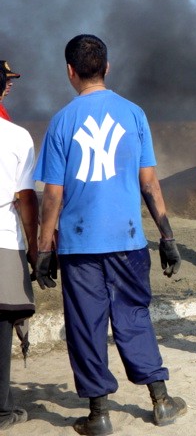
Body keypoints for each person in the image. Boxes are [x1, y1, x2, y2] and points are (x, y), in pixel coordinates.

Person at [33, 34, 186, 435]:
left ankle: (99, 415)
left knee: (86, 325)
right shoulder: (134, 114)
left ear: (70, 71)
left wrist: (44, 247)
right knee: (133, 315)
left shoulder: (61, 121)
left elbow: (53, 195)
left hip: (79, 245)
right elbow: (149, 183)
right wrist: (167, 238)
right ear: (107, 67)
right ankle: (161, 401)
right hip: (128, 240)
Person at [0, 70, 39, 432]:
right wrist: (35, 247)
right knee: (2, 319)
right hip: (4, 239)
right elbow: (26, 198)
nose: (10, 83)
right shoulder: (15, 135)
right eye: (6, 79)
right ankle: (1, 410)